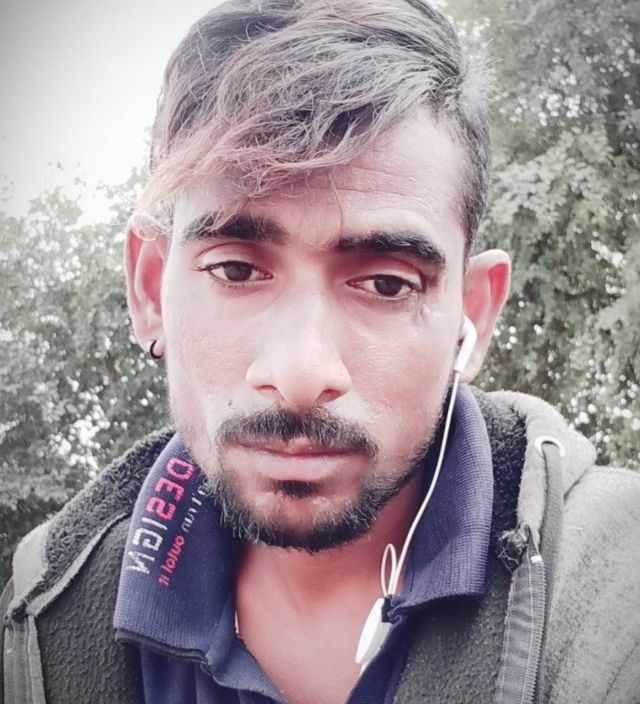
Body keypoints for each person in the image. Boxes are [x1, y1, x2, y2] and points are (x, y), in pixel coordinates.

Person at [2, 1, 639, 702]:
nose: (301, 373)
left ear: (473, 316)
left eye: (386, 284)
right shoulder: (46, 611)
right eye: (235, 270)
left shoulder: (618, 591)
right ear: (150, 291)